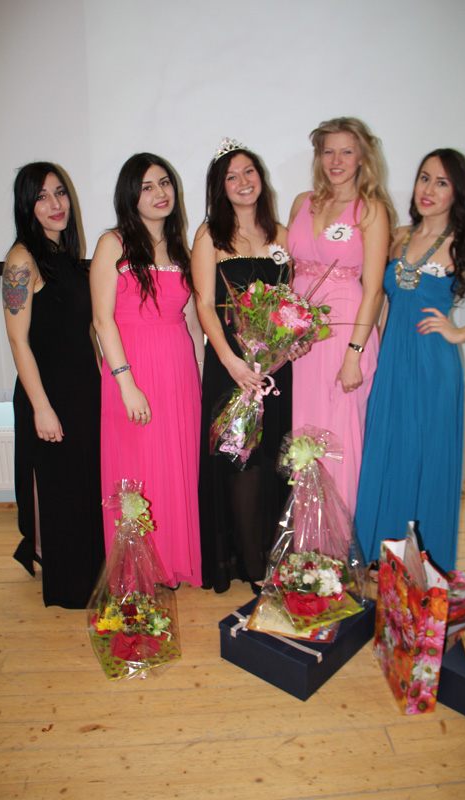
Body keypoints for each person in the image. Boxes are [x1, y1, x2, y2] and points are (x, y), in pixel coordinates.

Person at [355, 148, 465, 574]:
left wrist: (460, 333)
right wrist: (375, 354)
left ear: (456, 193)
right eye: (424, 178)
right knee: (390, 451)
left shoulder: (463, 246)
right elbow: (384, 304)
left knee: (426, 458)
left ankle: (423, 564)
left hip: (433, 367)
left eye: (442, 182)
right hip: (393, 363)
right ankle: (383, 555)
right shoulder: (398, 236)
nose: (429, 189)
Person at [90, 153, 204, 588]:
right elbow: (102, 320)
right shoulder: (113, 243)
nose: (160, 193)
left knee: (177, 469)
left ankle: (173, 561)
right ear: (130, 196)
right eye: (147, 186)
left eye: (165, 183)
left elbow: (191, 322)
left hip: (179, 374)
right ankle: (138, 567)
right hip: (132, 372)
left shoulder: (180, 249)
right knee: (137, 468)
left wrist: (201, 378)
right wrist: (126, 384)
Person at [191, 138, 292, 593]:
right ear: (220, 187)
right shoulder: (210, 235)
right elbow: (204, 305)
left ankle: (273, 557)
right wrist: (231, 362)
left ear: (261, 177)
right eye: (231, 176)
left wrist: (288, 347)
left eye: (249, 171)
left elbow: (290, 304)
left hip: (274, 368)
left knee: (271, 461)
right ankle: (250, 564)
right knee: (241, 463)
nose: (243, 181)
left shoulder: (281, 234)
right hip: (232, 369)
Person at [2, 162, 104, 608]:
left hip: (82, 390)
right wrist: (42, 407)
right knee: (62, 493)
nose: (55, 204)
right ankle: (70, 584)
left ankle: (90, 571)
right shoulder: (21, 259)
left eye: (60, 192)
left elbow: (85, 333)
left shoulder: (65, 256)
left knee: (83, 489)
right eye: (42, 197)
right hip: (48, 394)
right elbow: (17, 340)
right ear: (27, 206)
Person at [288, 117, 395, 516]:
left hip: (347, 333)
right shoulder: (302, 202)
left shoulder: (371, 210)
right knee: (305, 432)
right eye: (328, 151)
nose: (336, 160)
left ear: (362, 157)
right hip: (303, 341)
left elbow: (375, 290)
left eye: (346, 152)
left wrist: (354, 354)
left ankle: (340, 542)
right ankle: (308, 537)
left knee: (341, 440)